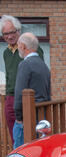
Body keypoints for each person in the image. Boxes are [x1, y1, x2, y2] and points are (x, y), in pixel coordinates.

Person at [0, 15, 44, 143]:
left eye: (12, 32)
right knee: (15, 135)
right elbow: (9, 75)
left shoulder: (30, 49)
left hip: (27, 98)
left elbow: (38, 72)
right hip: (10, 98)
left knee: (30, 135)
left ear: (18, 31)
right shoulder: (6, 53)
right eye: (5, 34)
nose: (9, 36)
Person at [13, 32, 50, 148]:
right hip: (41, 119)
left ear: (23, 46)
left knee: (20, 155)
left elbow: (19, 94)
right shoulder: (44, 65)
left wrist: (19, 118)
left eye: (18, 45)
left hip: (26, 120)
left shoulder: (25, 64)